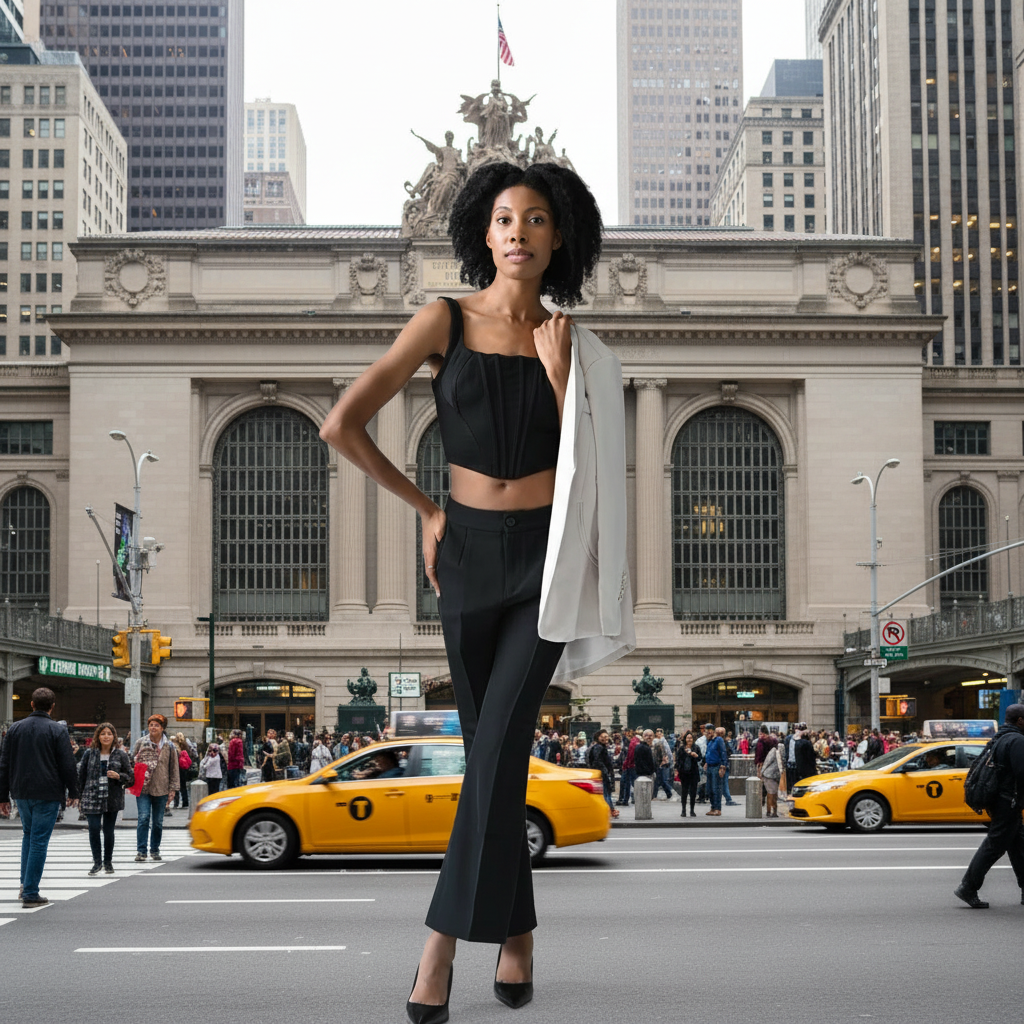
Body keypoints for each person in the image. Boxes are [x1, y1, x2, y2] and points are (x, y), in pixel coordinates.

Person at [319, 159, 632, 1020]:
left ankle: (437, 953)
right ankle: (520, 935)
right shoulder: (442, 319)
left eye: (536, 219)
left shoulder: (576, 341)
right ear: (482, 233)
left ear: (560, 234)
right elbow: (341, 424)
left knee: (494, 751)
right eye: (503, 219)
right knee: (490, 760)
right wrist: (425, 508)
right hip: (464, 554)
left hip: (545, 558)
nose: (518, 232)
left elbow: (598, 468)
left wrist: (563, 379)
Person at [0, 687, 80, 908]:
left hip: (21, 792)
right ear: (52, 707)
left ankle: (25, 886)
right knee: (38, 840)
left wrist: (3, 796)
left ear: (32, 705)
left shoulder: (14, 729)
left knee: (29, 835)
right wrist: (74, 791)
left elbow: (4, 764)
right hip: (48, 792)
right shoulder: (57, 730)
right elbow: (67, 764)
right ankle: (30, 892)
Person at [954, 703, 1024, 908]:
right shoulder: (1017, 740)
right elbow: (1022, 773)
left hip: (999, 799)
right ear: (1020, 720)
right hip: (1008, 800)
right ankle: (968, 886)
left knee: (1018, 843)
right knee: (995, 845)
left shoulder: (1000, 738)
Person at [77, 722, 133, 875]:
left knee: (108, 831)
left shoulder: (121, 755)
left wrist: (119, 776)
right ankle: (97, 862)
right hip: (92, 795)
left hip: (112, 797)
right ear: (98, 736)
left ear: (114, 736)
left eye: (109, 733)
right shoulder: (89, 753)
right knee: (94, 829)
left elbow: (131, 778)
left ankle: (108, 862)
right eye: (103, 733)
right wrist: (78, 797)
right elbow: (81, 776)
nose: (106, 736)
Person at [132, 714, 179, 863]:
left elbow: (174, 768)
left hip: (162, 787)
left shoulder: (169, 746)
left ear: (162, 728)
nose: (153, 727)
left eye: (156, 725)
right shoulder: (140, 743)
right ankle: (141, 851)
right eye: (151, 724)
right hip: (143, 787)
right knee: (143, 818)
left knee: (158, 821)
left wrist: (173, 789)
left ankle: (155, 849)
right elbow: (131, 761)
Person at [587, 730, 618, 818]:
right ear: (598, 738)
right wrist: (605, 770)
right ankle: (609, 810)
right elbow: (597, 760)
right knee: (606, 793)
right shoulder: (599, 747)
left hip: (600, 772)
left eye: (606, 736)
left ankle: (610, 809)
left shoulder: (599, 747)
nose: (605, 738)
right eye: (602, 737)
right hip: (601, 773)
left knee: (606, 792)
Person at [704, 725, 728, 816]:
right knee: (709, 788)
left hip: (716, 766)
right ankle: (713, 807)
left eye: (708, 731)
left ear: (712, 731)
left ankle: (717, 808)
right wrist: (706, 762)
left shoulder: (718, 740)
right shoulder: (710, 742)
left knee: (716, 788)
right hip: (710, 766)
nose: (706, 733)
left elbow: (723, 752)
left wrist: (723, 766)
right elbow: (709, 753)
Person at [674, 731, 700, 817]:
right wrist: (677, 770)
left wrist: (695, 755)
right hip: (684, 773)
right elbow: (678, 760)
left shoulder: (696, 747)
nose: (689, 739)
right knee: (684, 792)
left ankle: (692, 810)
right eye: (688, 738)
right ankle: (683, 810)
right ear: (685, 739)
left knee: (693, 792)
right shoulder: (681, 748)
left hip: (693, 773)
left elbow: (700, 758)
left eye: (691, 738)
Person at [651, 728, 674, 801]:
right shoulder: (658, 742)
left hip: (661, 763)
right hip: (658, 763)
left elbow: (666, 752)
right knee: (659, 780)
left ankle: (667, 793)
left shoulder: (661, 742)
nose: (659, 733)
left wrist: (664, 762)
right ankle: (667, 793)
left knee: (661, 780)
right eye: (657, 732)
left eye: (660, 732)